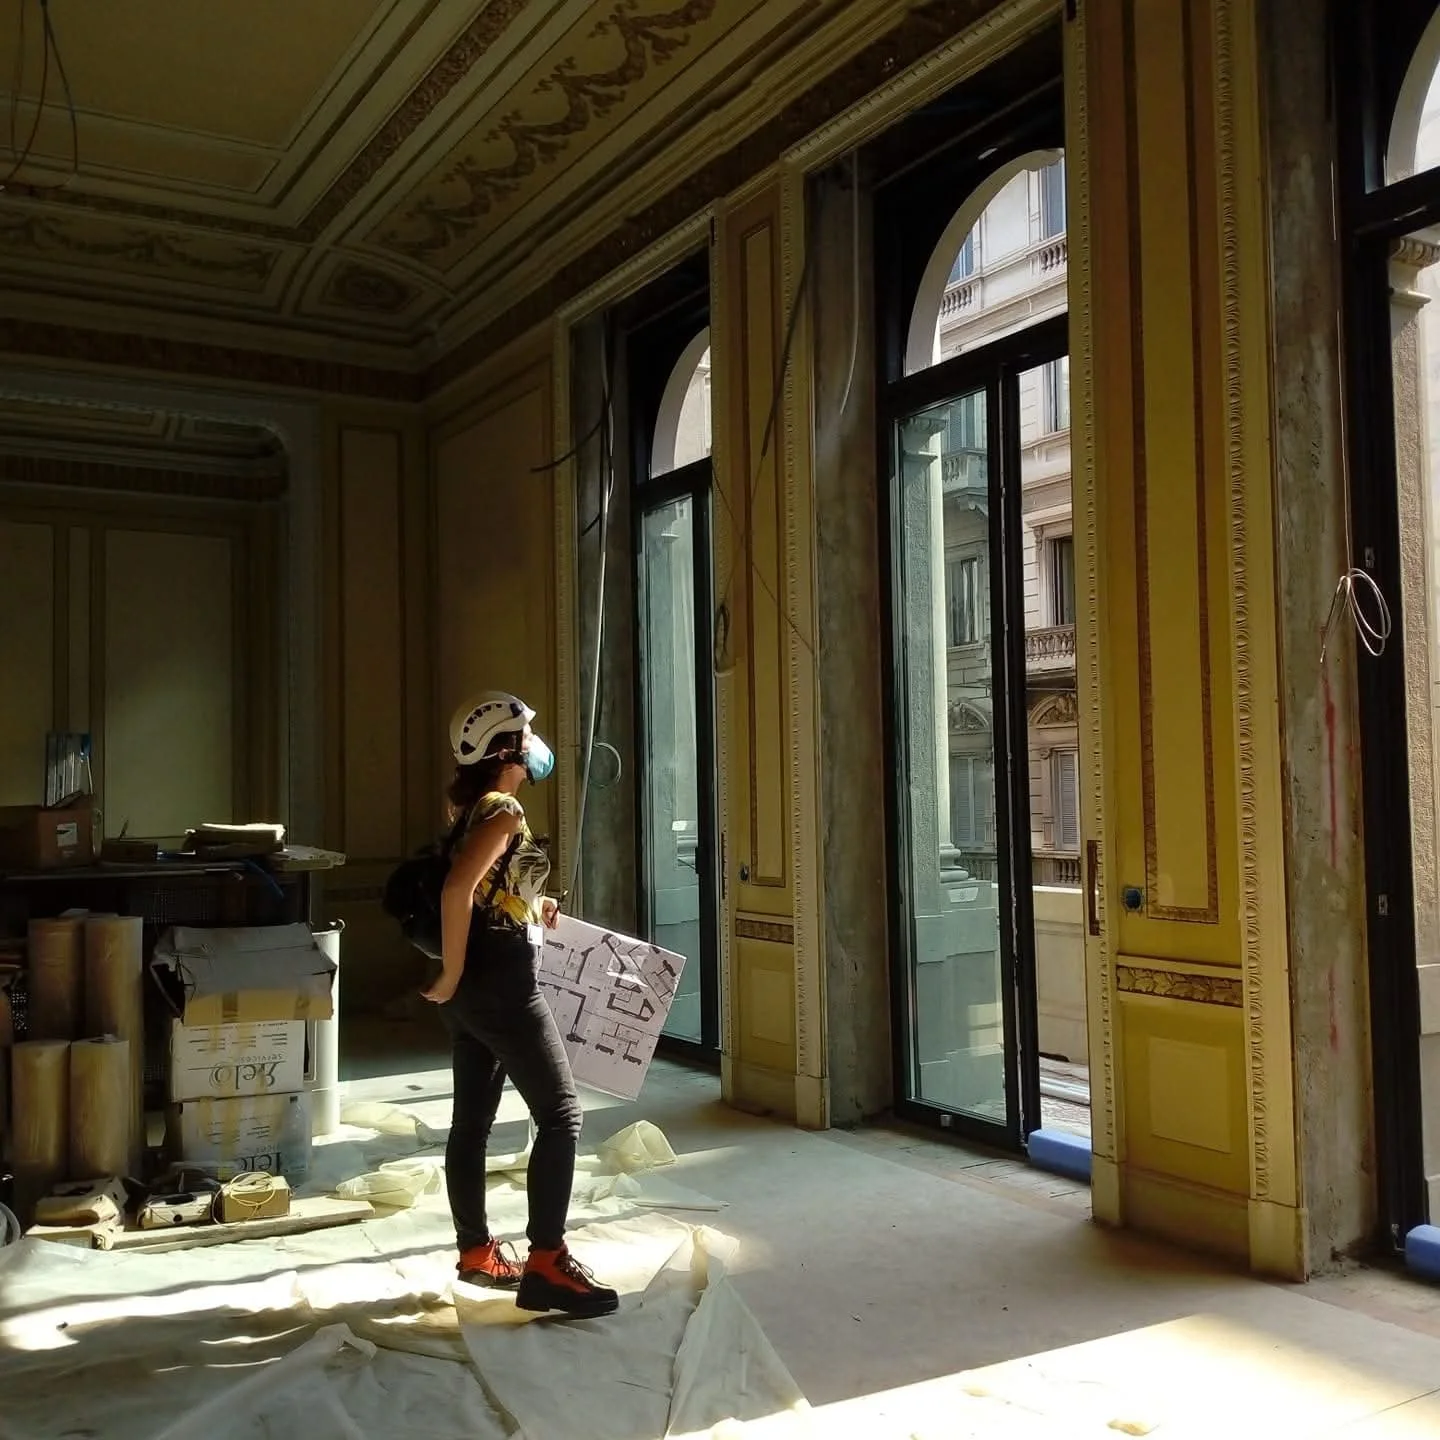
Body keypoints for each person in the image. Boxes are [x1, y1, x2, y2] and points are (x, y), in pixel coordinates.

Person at [423, 691, 618, 1319]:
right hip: (501, 982)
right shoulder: (504, 809)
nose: (535, 744)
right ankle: (547, 1265)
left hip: (480, 988)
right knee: (562, 1114)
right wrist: (451, 973)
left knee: (471, 1123)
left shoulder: (468, 808)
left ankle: (477, 1252)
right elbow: (457, 889)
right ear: (505, 748)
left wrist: (536, 906)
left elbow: (484, 890)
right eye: (526, 734)